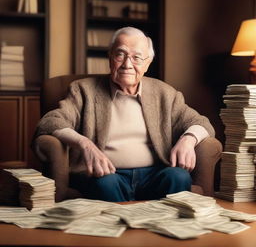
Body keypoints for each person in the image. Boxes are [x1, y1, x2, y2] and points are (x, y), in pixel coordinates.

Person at [33, 26, 215, 202]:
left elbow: (201, 122)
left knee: (179, 176)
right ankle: (123, 230)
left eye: (136, 57)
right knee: (105, 183)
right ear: (110, 57)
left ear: (148, 63)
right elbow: (50, 122)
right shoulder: (83, 90)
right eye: (120, 54)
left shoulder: (164, 93)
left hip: (153, 173)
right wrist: (85, 144)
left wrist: (188, 140)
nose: (127, 64)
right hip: (107, 173)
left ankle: (165, 229)